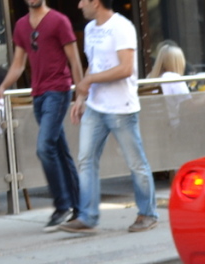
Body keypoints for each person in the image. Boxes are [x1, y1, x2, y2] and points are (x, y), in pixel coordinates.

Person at [60, 0, 158, 234]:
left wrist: (89, 81)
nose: (80, 4)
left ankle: (148, 213)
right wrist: (81, 98)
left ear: (96, 2)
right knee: (85, 159)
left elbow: (125, 68)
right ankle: (88, 216)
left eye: (84, 0)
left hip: (121, 107)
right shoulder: (90, 28)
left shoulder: (122, 27)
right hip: (95, 106)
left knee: (136, 163)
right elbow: (93, 66)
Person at [0, 0, 85, 230]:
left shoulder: (59, 21)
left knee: (44, 147)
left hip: (58, 91)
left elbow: (74, 61)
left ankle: (62, 206)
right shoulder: (21, 26)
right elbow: (18, 64)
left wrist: (81, 95)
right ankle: (79, 205)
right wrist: (2, 86)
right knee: (59, 149)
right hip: (38, 95)